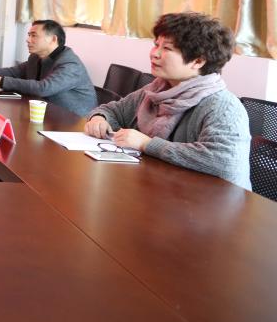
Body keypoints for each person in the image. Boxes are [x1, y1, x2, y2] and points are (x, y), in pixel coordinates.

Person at [84, 12, 250, 189]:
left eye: (167, 49)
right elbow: (113, 110)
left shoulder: (223, 106)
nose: (154, 54)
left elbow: (223, 160)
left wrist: (147, 144)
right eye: (156, 45)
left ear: (198, 61)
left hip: (208, 198)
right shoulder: (157, 89)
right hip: (160, 186)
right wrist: (100, 118)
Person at [0, 19, 96, 116]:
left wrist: (0, 81)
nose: (28, 40)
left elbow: (44, 88)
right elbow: (15, 71)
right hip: (46, 114)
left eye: (34, 36)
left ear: (53, 39)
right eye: (29, 35)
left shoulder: (70, 64)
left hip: (74, 123)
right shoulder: (36, 57)